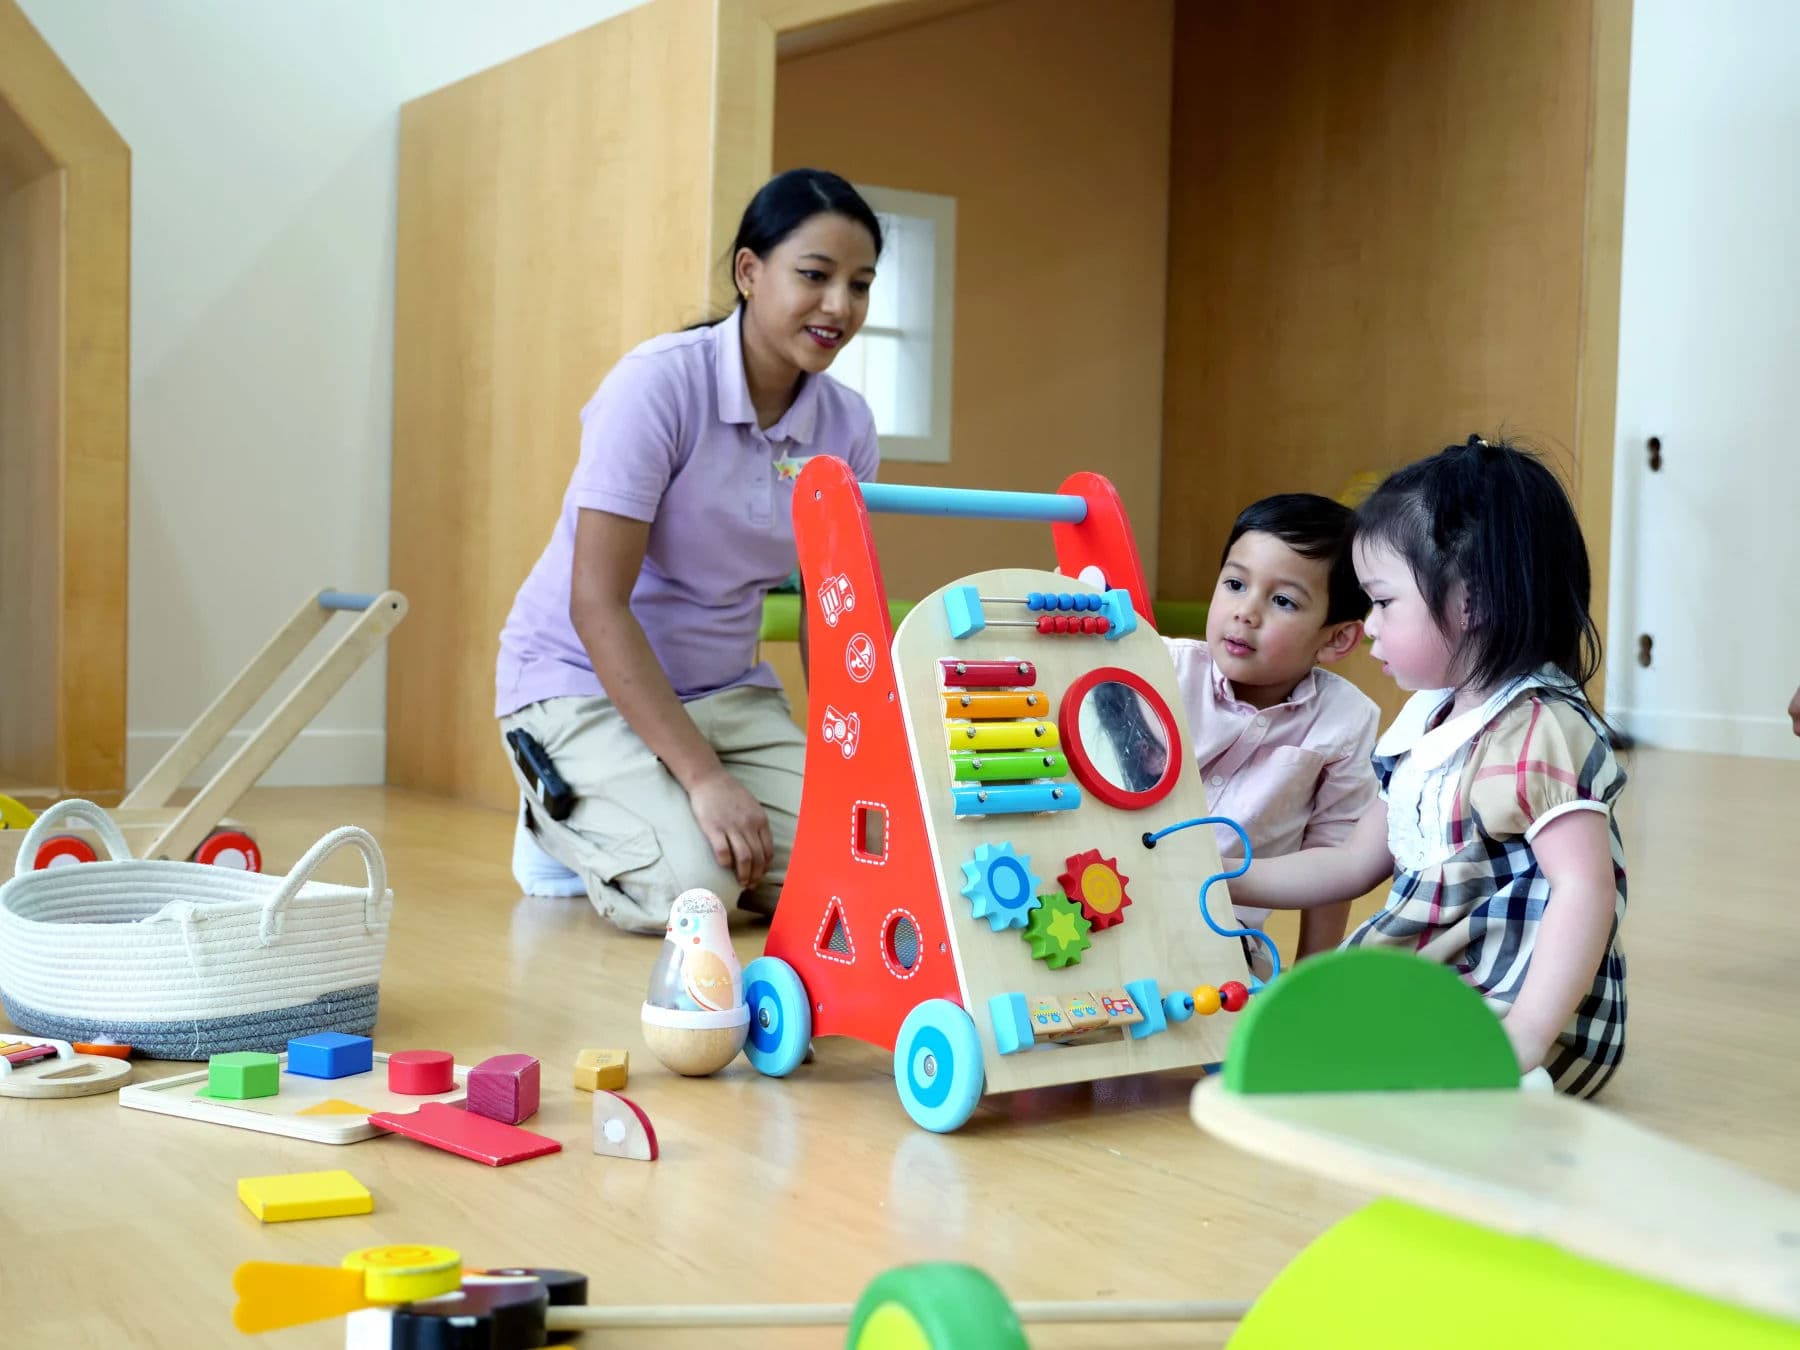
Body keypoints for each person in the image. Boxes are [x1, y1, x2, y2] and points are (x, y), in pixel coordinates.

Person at [495, 169, 883, 933]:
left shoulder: (848, 427)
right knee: (696, 894)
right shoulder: (657, 388)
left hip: (726, 694)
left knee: (872, 860)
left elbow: (826, 614)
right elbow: (594, 602)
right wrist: (704, 779)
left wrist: (858, 764)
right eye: (815, 275)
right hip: (580, 686)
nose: (839, 306)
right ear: (749, 271)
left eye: (860, 285)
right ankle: (553, 822)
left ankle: (659, 803)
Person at [1231, 437, 1627, 1096]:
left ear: (1473, 601)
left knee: (1328, 1070)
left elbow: (1586, 890)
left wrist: (1524, 1037)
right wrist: (1219, 880)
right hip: (1434, 989)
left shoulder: (1536, 729)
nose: (1371, 627)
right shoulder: (1426, 720)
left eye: (1383, 602)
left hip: (1518, 1012)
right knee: (1284, 1038)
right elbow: (1351, 864)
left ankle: (1506, 1090)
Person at [1166, 494, 1379, 970]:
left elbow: (1334, 857)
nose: (1246, 612)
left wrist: (1311, 973)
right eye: (1236, 584)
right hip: (1109, 907)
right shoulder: (1162, 668)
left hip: (1226, 947)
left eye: (1282, 600)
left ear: (1337, 637)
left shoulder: (1345, 721)